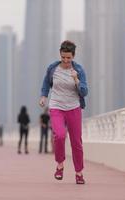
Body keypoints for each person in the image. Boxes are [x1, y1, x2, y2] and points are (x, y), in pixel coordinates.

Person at [39, 40, 88, 184]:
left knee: (76, 142)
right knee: (59, 136)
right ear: (60, 55)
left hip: (73, 107)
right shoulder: (53, 68)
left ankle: (79, 173)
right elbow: (46, 83)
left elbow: (84, 92)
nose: (66, 60)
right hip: (56, 106)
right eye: (63, 57)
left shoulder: (78, 70)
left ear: (73, 56)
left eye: (69, 58)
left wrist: (76, 80)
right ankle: (60, 164)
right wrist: (43, 96)